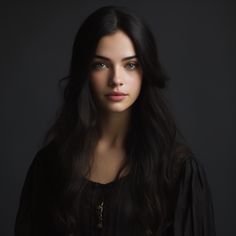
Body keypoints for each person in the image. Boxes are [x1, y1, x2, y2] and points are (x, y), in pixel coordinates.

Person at [14, 5, 216, 236]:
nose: (116, 79)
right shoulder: (50, 165)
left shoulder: (177, 170)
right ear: (85, 71)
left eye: (130, 65)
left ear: (145, 71)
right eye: (101, 64)